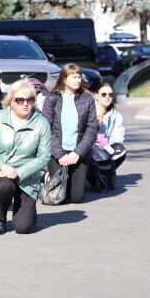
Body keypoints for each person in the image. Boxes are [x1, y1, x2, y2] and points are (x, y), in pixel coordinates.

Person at [0, 80, 52, 235]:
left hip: (28, 177)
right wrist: (3, 166)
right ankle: (0, 219)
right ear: (11, 101)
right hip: (2, 173)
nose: (25, 103)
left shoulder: (41, 122)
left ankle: (25, 206)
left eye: (29, 99)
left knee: (23, 228)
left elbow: (44, 156)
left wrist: (19, 172)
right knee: (5, 186)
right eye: (20, 100)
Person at [42, 63, 98, 204]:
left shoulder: (87, 99)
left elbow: (92, 129)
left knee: (76, 198)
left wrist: (77, 153)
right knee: (59, 198)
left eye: (79, 77)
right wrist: (59, 154)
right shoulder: (52, 99)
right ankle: (50, 175)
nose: (78, 80)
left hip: (78, 153)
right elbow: (46, 128)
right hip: (57, 153)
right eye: (74, 77)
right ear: (64, 79)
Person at [88, 83, 126, 190]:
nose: (107, 97)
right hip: (90, 144)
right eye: (103, 94)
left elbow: (118, 133)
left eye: (110, 95)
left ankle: (106, 172)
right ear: (96, 96)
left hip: (106, 145)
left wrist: (108, 144)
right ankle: (93, 175)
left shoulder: (115, 115)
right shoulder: (89, 110)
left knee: (120, 150)